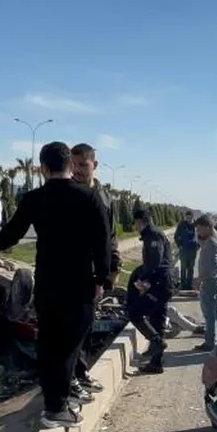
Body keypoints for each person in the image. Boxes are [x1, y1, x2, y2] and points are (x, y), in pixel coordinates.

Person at [0, 141, 111, 428]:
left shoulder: (34, 199)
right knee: (70, 344)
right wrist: (102, 279)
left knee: (48, 343)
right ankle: (57, 406)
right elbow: (103, 244)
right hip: (80, 284)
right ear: (70, 165)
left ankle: (54, 402)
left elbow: (6, 238)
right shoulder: (89, 197)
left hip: (48, 282)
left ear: (43, 168)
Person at [70, 143, 122, 396]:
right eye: (73, 164)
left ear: (95, 165)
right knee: (71, 327)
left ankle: (81, 372)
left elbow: (111, 236)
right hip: (70, 270)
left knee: (86, 324)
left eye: (83, 164)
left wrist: (114, 268)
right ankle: (70, 377)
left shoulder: (104, 197)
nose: (77, 170)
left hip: (94, 272)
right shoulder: (68, 192)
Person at [127, 207, 175, 374]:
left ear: (141, 222)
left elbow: (155, 262)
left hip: (160, 284)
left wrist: (143, 280)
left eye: (135, 223)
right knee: (157, 322)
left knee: (134, 313)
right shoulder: (153, 234)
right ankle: (156, 363)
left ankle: (156, 341)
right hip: (164, 284)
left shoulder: (153, 235)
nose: (134, 226)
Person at [193, 215, 217, 351]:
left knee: (209, 314)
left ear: (208, 227)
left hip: (211, 282)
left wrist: (199, 279)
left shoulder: (212, 242)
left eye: (199, 229)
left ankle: (210, 342)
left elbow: (212, 265)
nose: (198, 232)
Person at [174, 210, 199, 290]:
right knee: (183, 268)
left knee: (191, 268)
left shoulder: (196, 225)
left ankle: (189, 284)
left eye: (190, 218)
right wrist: (179, 245)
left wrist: (198, 246)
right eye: (187, 218)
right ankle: (183, 284)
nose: (189, 219)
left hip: (193, 250)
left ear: (193, 217)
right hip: (183, 250)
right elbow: (176, 236)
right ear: (185, 217)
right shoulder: (181, 225)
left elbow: (200, 235)